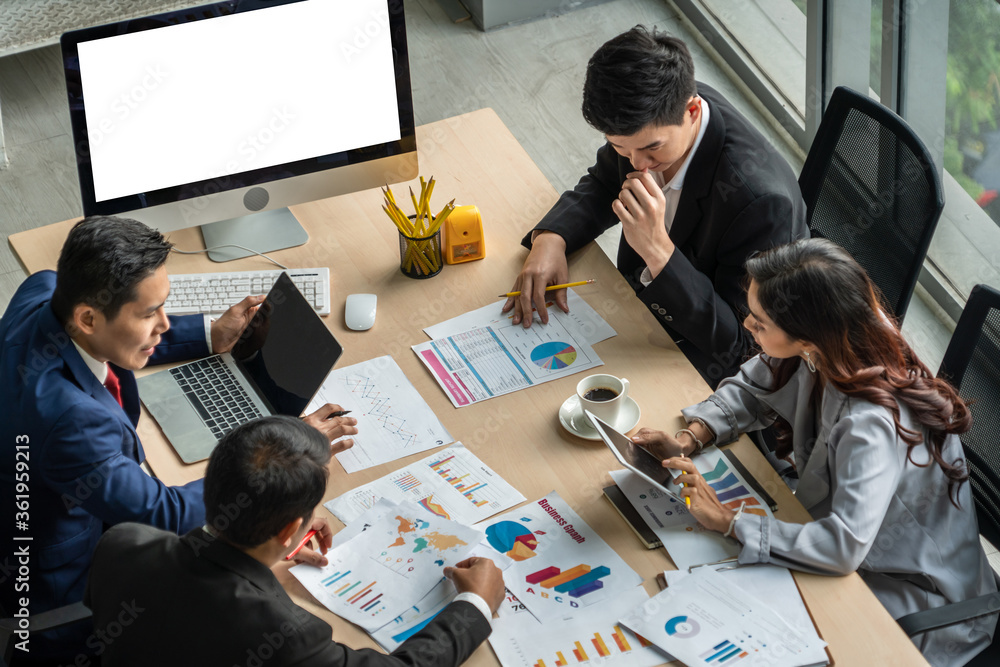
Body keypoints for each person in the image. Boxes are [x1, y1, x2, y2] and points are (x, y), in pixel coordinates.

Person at [0, 216, 358, 663]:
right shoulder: (69, 419)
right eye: (150, 313)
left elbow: (113, 339)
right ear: (88, 317)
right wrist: (285, 465)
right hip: (60, 591)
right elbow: (163, 512)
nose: (164, 324)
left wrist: (210, 333)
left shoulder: (45, 290)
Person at [632, 238, 997, 666]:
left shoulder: (870, 425)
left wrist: (729, 521)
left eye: (760, 322)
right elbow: (753, 388)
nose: (748, 324)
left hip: (912, 598)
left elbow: (843, 546)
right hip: (841, 543)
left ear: (807, 336)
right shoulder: (830, 344)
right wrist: (689, 438)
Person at [506, 26, 807, 387]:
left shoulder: (761, 204)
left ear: (693, 111)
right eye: (619, 147)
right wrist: (551, 238)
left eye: (652, 149)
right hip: (640, 312)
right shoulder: (653, 119)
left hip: (701, 358)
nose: (637, 164)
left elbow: (744, 345)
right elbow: (605, 183)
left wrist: (658, 252)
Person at [85, 415, 505, 666]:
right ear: (291, 531)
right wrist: (476, 606)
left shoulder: (123, 543)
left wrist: (265, 549)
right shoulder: (288, 636)